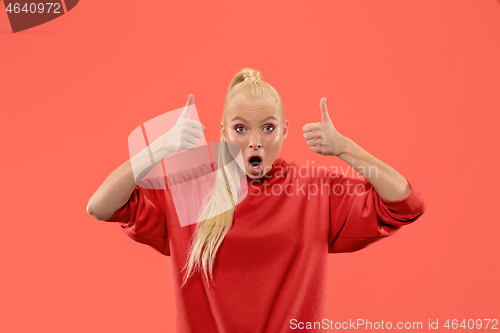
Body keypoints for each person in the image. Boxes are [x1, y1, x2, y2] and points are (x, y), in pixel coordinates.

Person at [86, 68, 426, 333]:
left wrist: (345, 148)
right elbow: (101, 206)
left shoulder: (314, 190)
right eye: (240, 128)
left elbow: (404, 203)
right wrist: (160, 147)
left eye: (267, 128)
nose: (254, 141)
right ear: (222, 132)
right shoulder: (192, 190)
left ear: (284, 131)